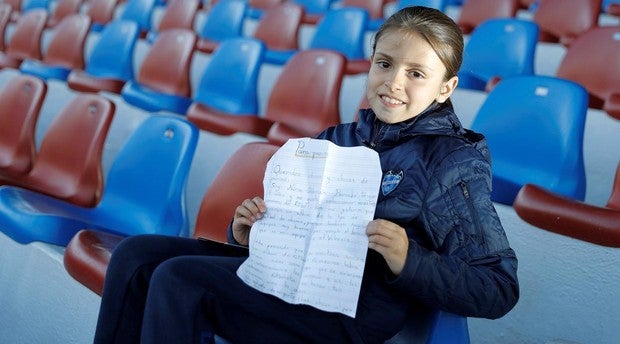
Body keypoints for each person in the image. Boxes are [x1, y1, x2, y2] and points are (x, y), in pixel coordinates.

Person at [94, 6, 519, 344]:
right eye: (384, 64)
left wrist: (408, 258)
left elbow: (497, 287)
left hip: (349, 311)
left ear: (446, 88)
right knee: (134, 257)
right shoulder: (337, 138)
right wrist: (248, 231)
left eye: (416, 74)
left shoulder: (451, 159)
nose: (393, 82)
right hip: (290, 278)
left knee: (179, 280)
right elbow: (289, 224)